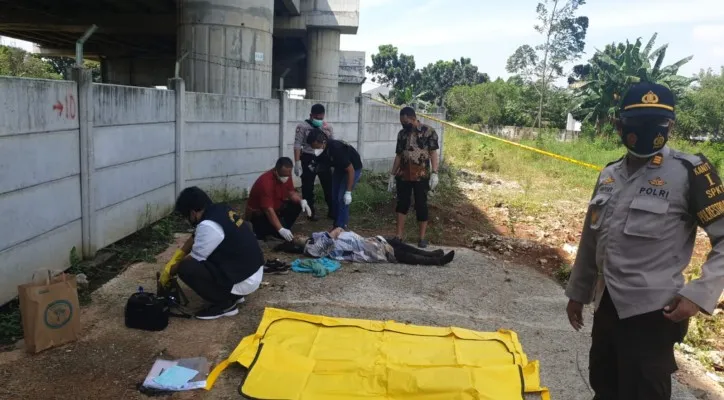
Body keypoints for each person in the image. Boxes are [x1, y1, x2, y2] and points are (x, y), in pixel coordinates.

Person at [565, 82, 724, 400]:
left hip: (654, 313)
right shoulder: (609, 174)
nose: (646, 129)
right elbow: (591, 240)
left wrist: (699, 294)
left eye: (657, 121)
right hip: (607, 304)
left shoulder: (690, 172)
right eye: (637, 121)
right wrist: (578, 293)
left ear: (671, 124)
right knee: (604, 385)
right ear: (620, 124)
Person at [159, 187, 266, 320]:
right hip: (251, 271)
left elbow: (192, 260)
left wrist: (170, 271)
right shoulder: (220, 210)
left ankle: (225, 304)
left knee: (187, 268)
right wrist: (178, 255)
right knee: (202, 259)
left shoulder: (208, 226)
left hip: (245, 279)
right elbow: (195, 237)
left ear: (192, 212)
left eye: (186, 216)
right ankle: (235, 295)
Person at [388, 106, 440, 248]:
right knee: (401, 204)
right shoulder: (402, 134)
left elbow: (433, 153)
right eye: (401, 122)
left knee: (421, 205)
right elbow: (398, 155)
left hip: (421, 175)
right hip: (403, 175)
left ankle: (422, 238)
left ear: (413, 118)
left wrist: (435, 173)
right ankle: (399, 236)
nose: (403, 124)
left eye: (405, 121)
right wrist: (392, 175)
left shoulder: (429, 131)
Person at [306, 129, 363, 229]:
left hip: (353, 168)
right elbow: (316, 164)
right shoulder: (321, 150)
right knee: (334, 195)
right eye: (313, 147)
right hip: (340, 168)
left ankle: (341, 227)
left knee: (342, 198)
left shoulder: (337, 149)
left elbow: (351, 170)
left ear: (323, 142)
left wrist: (348, 192)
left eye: (316, 147)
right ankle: (337, 220)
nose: (315, 149)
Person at [245, 157, 312, 241]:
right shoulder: (266, 183)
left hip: (277, 208)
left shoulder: (287, 174)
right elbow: (268, 210)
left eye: (288, 174)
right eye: (283, 175)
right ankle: (273, 231)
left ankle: (281, 228)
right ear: (276, 170)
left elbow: (291, 192)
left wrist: (301, 201)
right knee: (274, 231)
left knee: (296, 205)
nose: (286, 177)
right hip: (260, 215)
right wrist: (280, 229)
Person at [294, 103, 335, 221]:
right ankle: (310, 212)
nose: (319, 120)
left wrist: (332, 162)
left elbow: (332, 144)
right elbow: (297, 144)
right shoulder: (302, 127)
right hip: (308, 156)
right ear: (311, 115)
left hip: (323, 158)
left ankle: (332, 211)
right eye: (316, 118)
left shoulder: (327, 127)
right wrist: (297, 163)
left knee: (329, 185)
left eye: (321, 118)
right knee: (307, 186)